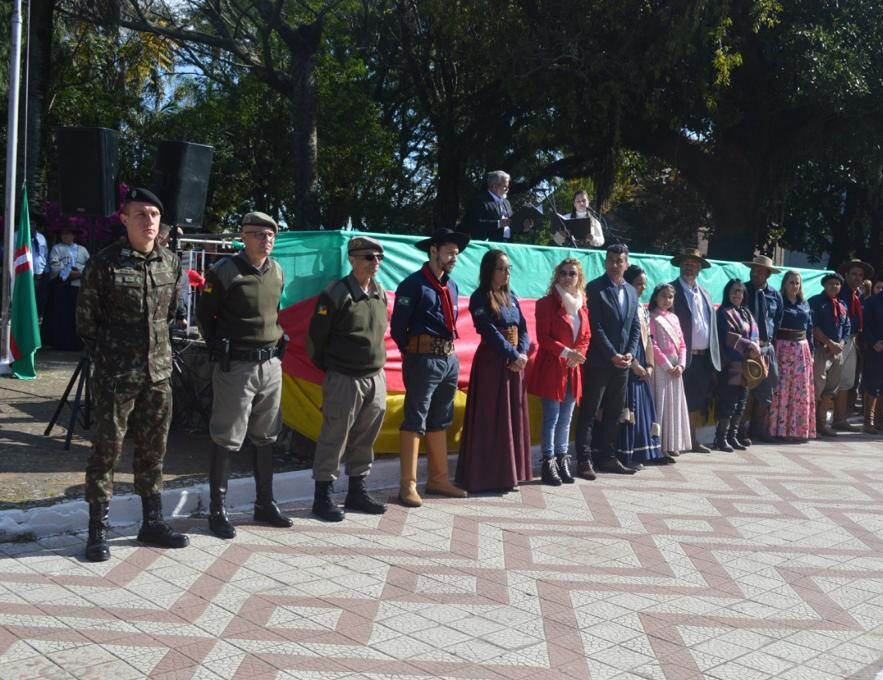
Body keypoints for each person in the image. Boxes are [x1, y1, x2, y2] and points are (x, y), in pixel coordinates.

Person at [76, 187, 189, 562]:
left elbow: (171, 314)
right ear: (124, 219)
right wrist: (110, 360)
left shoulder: (170, 263)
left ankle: (152, 523)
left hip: (157, 375)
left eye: (154, 215)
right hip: (115, 376)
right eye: (141, 214)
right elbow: (86, 323)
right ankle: (97, 532)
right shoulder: (104, 263)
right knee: (106, 453)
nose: (149, 222)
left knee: (153, 451)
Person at [196, 211, 292, 539]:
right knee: (226, 435)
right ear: (244, 236)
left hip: (271, 363)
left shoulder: (277, 270)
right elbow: (206, 317)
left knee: (266, 435)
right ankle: (217, 510)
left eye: (270, 236)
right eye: (258, 234)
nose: (266, 240)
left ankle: (264, 502)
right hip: (236, 365)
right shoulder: (224, 272)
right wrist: (219, 347)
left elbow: (276, 309)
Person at [307, 236, 389, 521]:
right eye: (369, 257)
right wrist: (333, 368)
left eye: (379, 257)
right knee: (335, 436)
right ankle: (323, 497)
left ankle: (357, 491)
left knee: (366, 437)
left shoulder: (380, 292)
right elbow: (316, 340)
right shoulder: (336, 294)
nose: (375, 262)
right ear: (352, 259)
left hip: (375, 376)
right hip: (344, 377)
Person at [390, 228, 470, 506]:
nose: (454, 258)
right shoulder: (412, 285)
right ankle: (407, 486)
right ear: (433, 251)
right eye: (449, 252)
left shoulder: (453, 286)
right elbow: (398, 328)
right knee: (415, 417)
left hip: (449, 359)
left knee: (441, 417)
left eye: (456, 254)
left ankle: (438, 480)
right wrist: (415, 350)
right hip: (422, 359)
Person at [456, 250, 532, 492]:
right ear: (490, 270)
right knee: (491, 417)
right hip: (492, 363)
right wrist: (512, 354)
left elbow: (523, 328)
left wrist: (522, 353)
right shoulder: (479, 298)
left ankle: (510, 475)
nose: (506, 273)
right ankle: (485, 477)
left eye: (509, 268)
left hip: (514, 364)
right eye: (501, 268)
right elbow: (488, 331)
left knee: (512, 417)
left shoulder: (513, 296)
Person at [574, 243, 641, 478]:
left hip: (623, 363)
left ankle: (608, 457)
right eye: (611, 260)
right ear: (605, 262)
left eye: (619, 260)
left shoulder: (632, 292)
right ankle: (584, 460)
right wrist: (612, 354)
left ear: (627, 263)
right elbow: (596, 327)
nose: (615, 265)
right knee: (590, 412)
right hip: (601, 362)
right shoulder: (595, 288)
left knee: (614, 412)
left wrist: (630, 354)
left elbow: (634, 326)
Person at [526, 258, 591, 485]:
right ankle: (548, 462)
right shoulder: (545, 304)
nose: (567, 277)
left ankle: (563, 460)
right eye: (562, 273)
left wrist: (578, 354)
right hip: (552, 368)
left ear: (578, 278)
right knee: (551, 418)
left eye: (571, 274)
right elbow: (543, 338)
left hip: (572, 369)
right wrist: (567, 353)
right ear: (557, 276)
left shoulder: (582, 304)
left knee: (566, 418)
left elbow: (585, 335)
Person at [668, 249, 721, 453]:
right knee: (676, 400)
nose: (689, 266)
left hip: (703, 357)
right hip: (679, 357)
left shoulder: (705, 294)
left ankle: (691, 439)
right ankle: (673, 442)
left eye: (694, 263)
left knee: (697, 401)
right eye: (686, 262)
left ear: (700, 268)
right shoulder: (670, 290)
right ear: (680, 265)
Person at [618, 266, 664, 466]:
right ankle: (627, 453)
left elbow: (648, 339)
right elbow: (625, 339)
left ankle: (645, 451)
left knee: (644, 409)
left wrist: (651, 364)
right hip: (629, 360)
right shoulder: (625, 306)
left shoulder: (642, 308)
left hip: (643, 360)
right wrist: (635, 364)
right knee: (630, 409)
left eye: (644, 285)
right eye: (638, 284)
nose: (642, 289)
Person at [768, 271, 816, 441]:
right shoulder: (779, 301)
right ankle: (780, 429)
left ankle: (798, 430)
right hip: (783, 348)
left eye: (797, 283)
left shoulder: (805, 303)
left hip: (801, 350)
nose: (794, 286)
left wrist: (812, 352)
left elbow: (809, 329)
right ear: (785, 284)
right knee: (783, 388)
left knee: (800, 391)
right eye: (791, 282)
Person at [715, 279, 762, 451]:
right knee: (729, 401)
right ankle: (720, 438)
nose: (737, 295)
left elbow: (755, 334)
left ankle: (732, 436)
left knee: (741, 402)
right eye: (734, 291)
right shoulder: (724, 312)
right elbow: (728, 336)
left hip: (746, 365)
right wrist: (750, 345)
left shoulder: (746, 313)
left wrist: (755, 346)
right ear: (728, 293)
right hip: (731, 364)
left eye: (740, 292)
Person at [741, 255, 784, 442]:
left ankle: (758, 428)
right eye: (753, 270)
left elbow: (778, 319)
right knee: (745, 388)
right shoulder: (742, 290)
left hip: (767, 347)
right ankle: (740, 430)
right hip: (747, 347)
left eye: (760, 271)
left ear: (767, 274)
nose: (755, 274)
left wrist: (770, 342)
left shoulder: (775, 295)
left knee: (767, 388)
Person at [649, 283, 693, 457]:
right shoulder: (651, 317)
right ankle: (658, 444)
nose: (667, 300)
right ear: (655, 297)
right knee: (661, 404)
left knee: (674, 405)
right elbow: (652, 344)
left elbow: (682, 343)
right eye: (663, 296)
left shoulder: (674, 318)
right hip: (662, 367)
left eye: (670, 297)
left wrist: (681, 365)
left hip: (676, 368)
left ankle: (672, 442)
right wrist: (667, 366)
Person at [809, 273, 851, 437]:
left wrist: (841, 343)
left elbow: (846, 327)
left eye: (837, 284)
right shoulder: (816, 302)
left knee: (831, 388)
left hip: (837, 352)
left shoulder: (842, 304)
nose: (834, 287)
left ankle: (822, 424)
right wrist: (829, 343)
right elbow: (813, 326)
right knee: (817, 385)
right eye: (831, 284)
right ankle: (811, 424)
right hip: (821, 350)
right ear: (824, 285)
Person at [835, 259, 874, 430]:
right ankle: (821, 421)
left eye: (860, 275)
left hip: (853, 340)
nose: (858, 278)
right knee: (830, 381)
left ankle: (840, 419)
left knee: (848, 381)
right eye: (854, 274)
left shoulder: (857, 295)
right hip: (837, 341)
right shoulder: (838, 291)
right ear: (846, 275)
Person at [49, 226, 90, 350]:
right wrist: (67, 273)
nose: (65, 236)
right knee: (62, 314)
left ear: (74, 236)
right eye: (63, 234)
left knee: (76, 314)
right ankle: (62, 343)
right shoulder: (57, 248)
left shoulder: (82, 250)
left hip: (78, 286)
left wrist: (80, 273)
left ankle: (77, 343)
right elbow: (54, 264)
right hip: (62, 286)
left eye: (68, 234)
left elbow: (89, 264)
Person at [458, 170, 513, 241]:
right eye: (505, 187)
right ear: (494, 186)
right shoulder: (480, 201)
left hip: (508, 243)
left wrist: (523, 228)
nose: (507, 190)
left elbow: (510, 224)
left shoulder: (506, 203)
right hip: (489, 244)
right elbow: (475, 223)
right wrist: (499, 223)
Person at [861, 273, 883, 433]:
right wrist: (874, 342)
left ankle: (880, 420)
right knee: (872, 384)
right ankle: (868, 421)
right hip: (876, 349)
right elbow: (864, 326)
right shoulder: (872, 302)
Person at [31, 226, 49, 322]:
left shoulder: (41, 237)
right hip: (25, 274)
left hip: (41, 274)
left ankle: (37, 319)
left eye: (34, 223)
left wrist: (46, 271)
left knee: (39, 299)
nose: (32, 225)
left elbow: (45, 254)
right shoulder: (17, 236)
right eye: (30, 222)